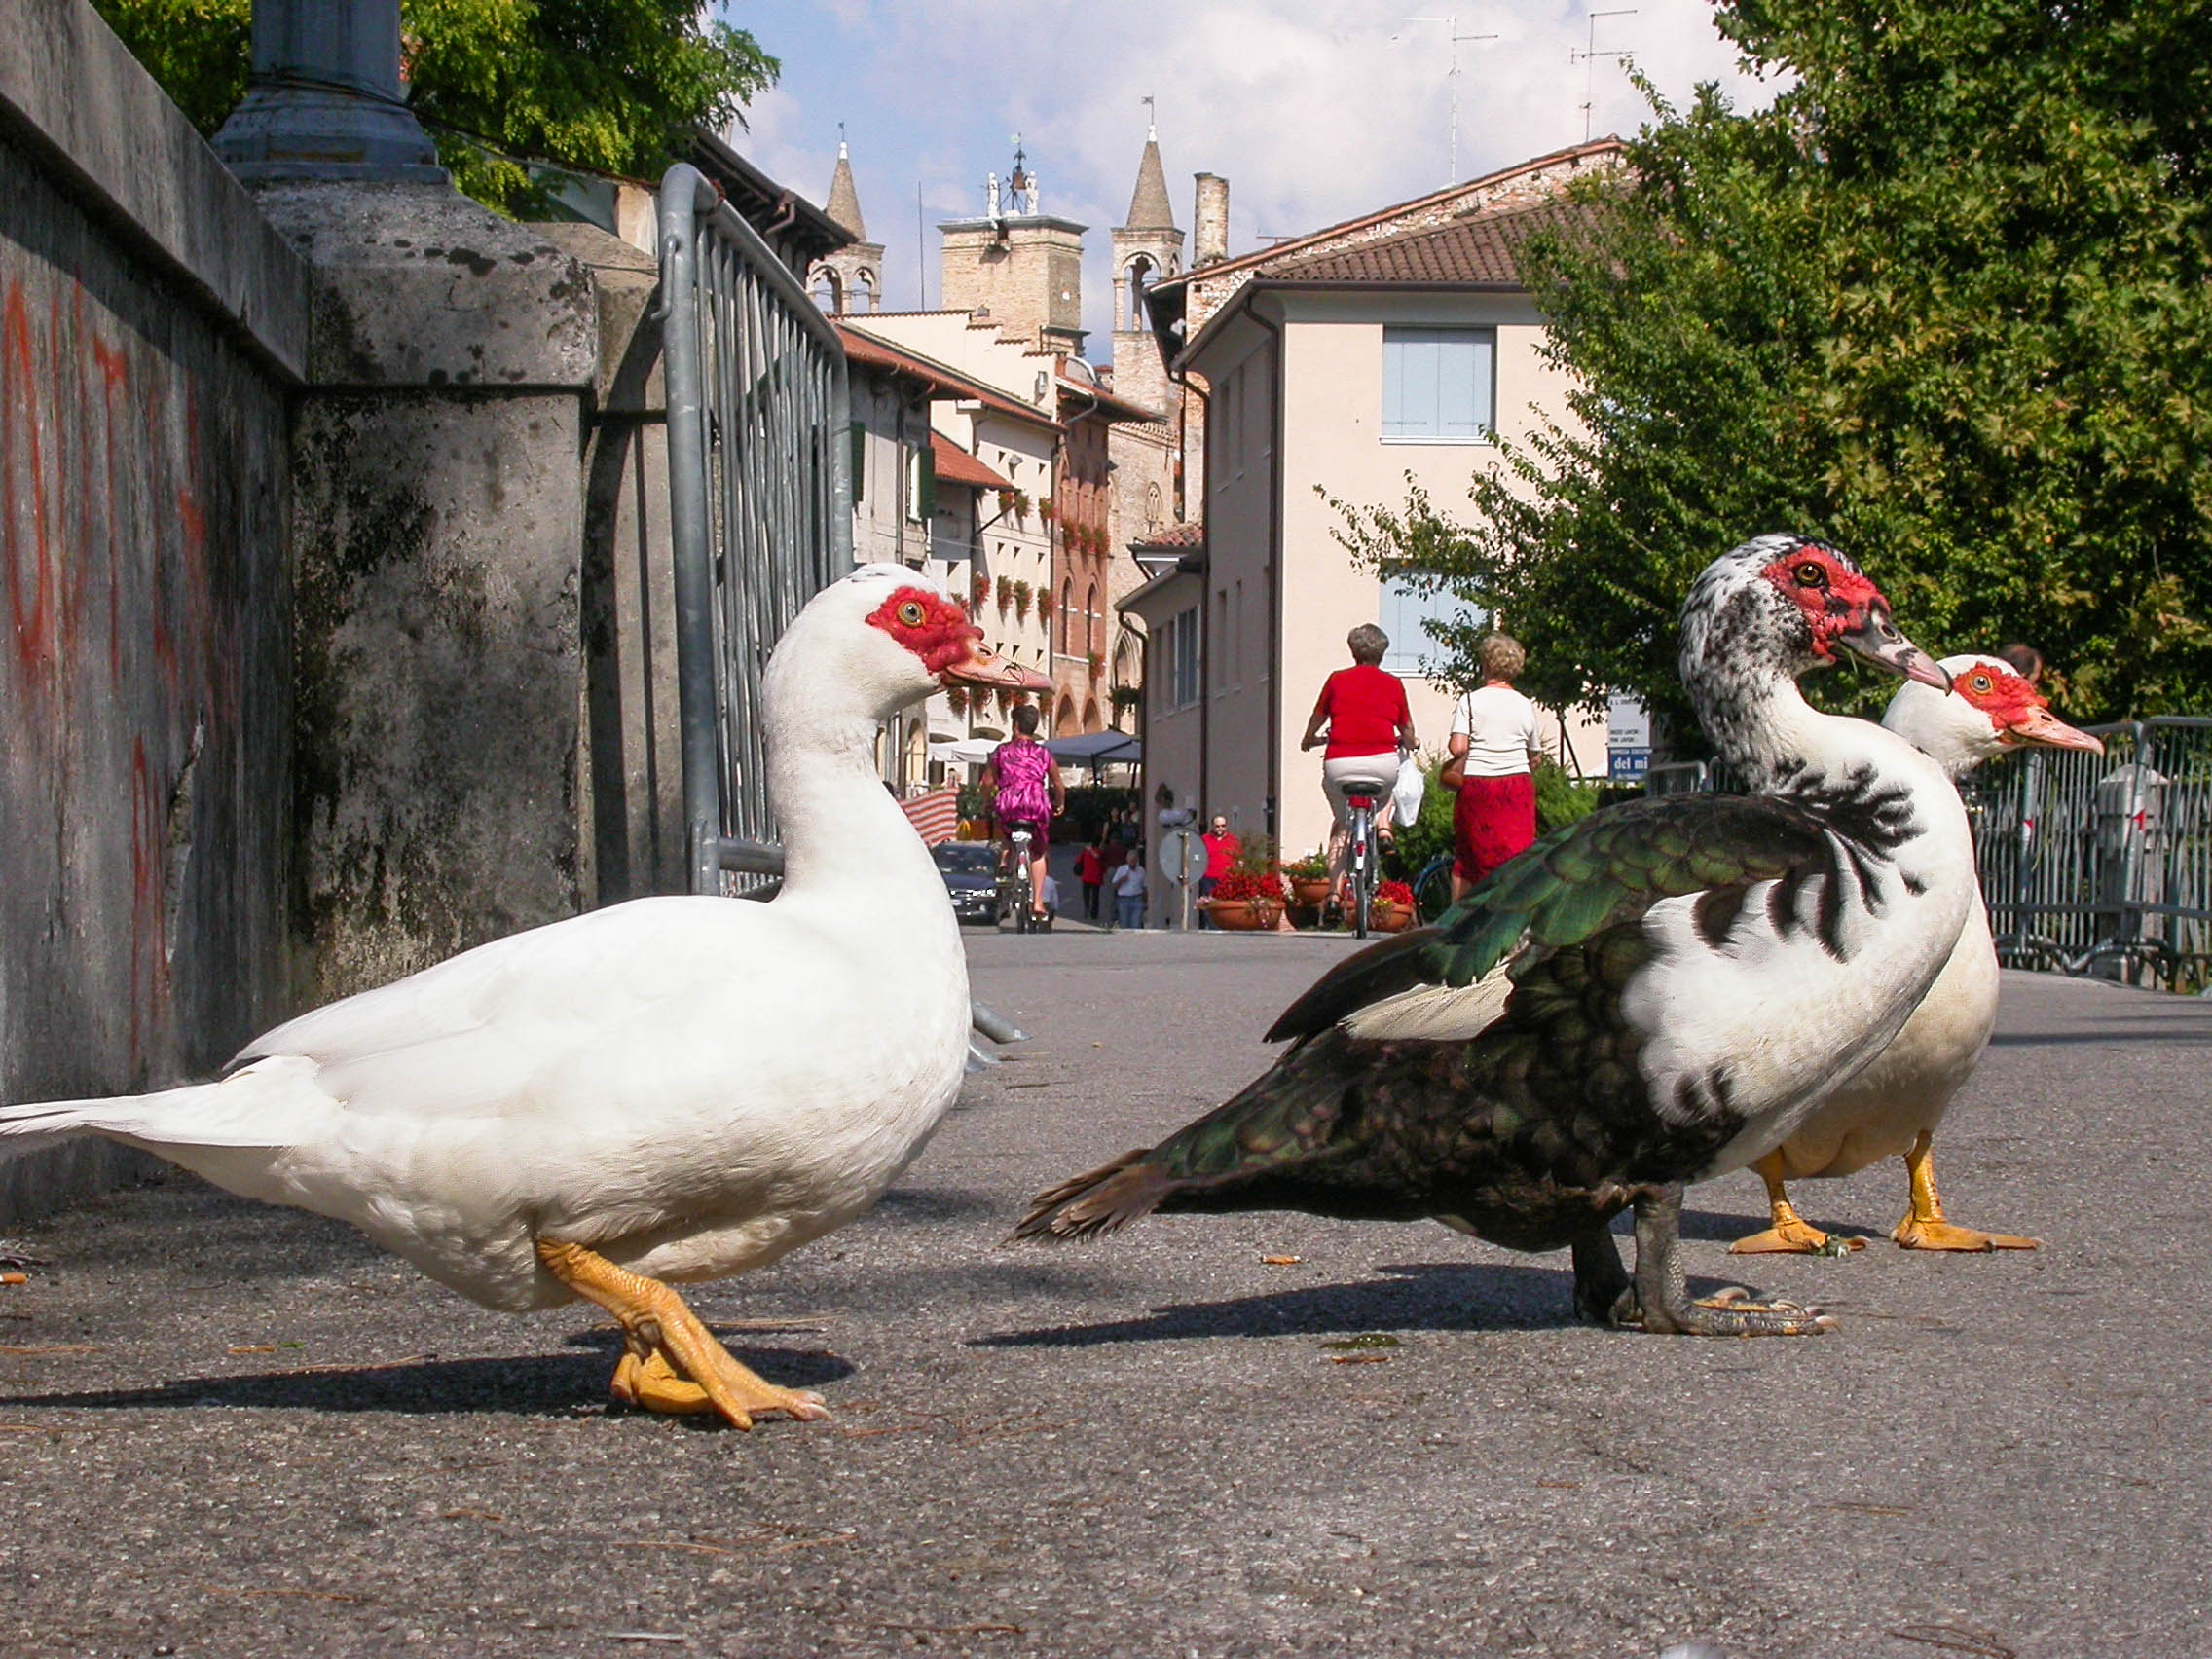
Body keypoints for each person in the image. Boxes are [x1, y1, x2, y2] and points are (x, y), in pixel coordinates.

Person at [1300, 623, 1416, 891]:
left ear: (1353, 651)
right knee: (1388, 789)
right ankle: (1384, 828)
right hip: (1382, 764)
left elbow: (1318, 716)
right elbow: (1406, 729)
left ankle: (1333, 893)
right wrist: (1411, 741)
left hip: (1340, 765)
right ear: (1382, 653)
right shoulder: (1393, 684)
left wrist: (1309, 738)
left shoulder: (1337, 680)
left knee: (1342, 826)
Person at [1446, 632, 1545, 902]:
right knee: (1518, 856)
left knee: (1467, 859)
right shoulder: (1525, 705)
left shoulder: (1470, 701)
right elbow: (1534, 754)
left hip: (1479, 785)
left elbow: (1458, 748)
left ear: (1486, 663)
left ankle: (1456, 926)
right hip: (1517, 787)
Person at [985, 703, 1065, 924]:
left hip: (1009, 802)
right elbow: (1058, 783)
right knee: (1038, 851)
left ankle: (1004, 862)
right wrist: (1060, 803)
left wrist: (987, 801)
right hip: (1036, 803)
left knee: (1006, 830)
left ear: (1016, 726)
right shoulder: (1043, 753)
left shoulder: (1002, 752)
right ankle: (1038, 902)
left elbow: (987, 782)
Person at [1197, 814, 1240, 929]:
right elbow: (1197, 857)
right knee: (1209, 904)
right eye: (1217, 826)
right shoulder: (1204, 840)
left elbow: (1239, 858)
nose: (1220, 828)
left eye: (1223, 826)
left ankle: (1225, 925)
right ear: (1212, 826)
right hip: (1208, 878)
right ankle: (1211, 927)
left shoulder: (1233, 841)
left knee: (1225, 903)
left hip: (1227, 879)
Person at [1110, 846, 1148, 931]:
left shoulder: (1141, 871)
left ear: (1137, 860)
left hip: (1137, 899)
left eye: (1134, 860)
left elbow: (1145, 887)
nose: (1133, 862)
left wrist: (1145, 902)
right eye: (1131, 860)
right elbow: (1114, 886)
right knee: (1124, 925)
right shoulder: (1121, 870)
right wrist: (1121, 880)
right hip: (1123, 900)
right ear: (1127, 860)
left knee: (1136, 924)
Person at [1075, 839, 1107, 922]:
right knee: (1095, 896)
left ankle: (1086, 908)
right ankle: (1094, 914)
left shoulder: (1086, 851)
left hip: (1086, 876)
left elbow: (1078, 860)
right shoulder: (1100, 851)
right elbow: (1099, 857)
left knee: (1086, 895)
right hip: (1096, 877)